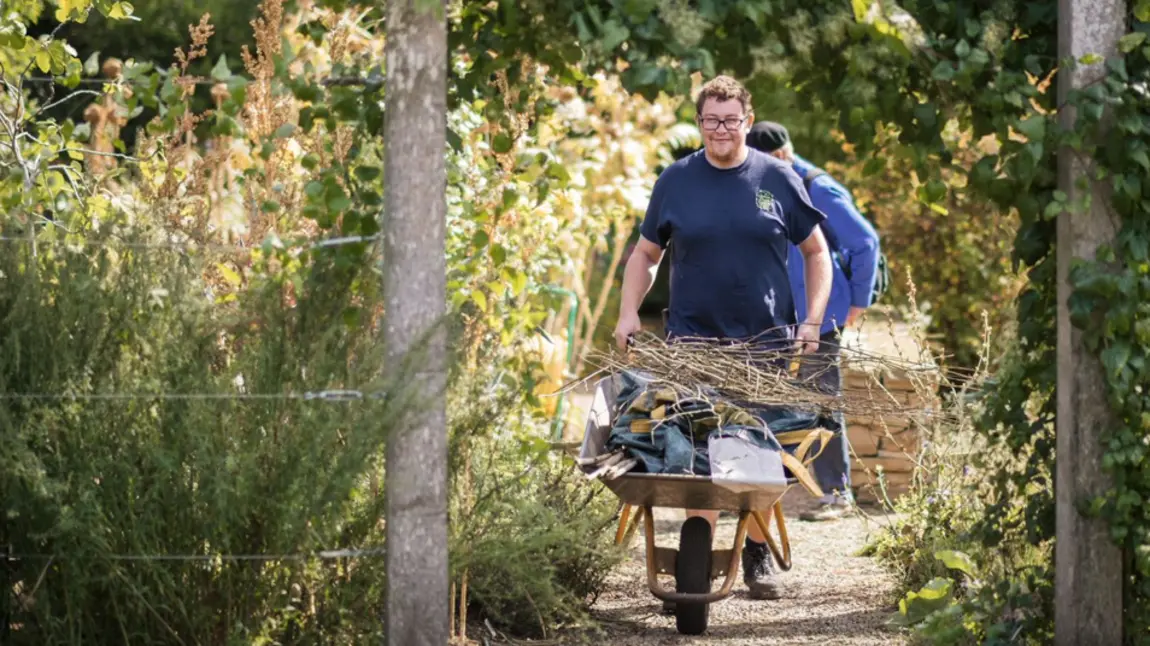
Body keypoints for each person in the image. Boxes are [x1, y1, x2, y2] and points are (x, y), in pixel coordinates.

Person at [613, 76, 833, 600]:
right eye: (711, 120)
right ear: (700, 122)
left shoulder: (777, 178)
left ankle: (754, 555)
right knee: (701, 459)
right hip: (692, 347)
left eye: (731, 120)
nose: (721, 130)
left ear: (747, 122)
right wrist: (627, 313)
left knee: (756, 455)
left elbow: (817, 252)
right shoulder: (677, 180)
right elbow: (646, 255)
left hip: (764, 347)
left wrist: (812, 321)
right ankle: (700, 552)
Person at [746, 121, 882, 522]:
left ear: (783, 155)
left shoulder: (818, 187)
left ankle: (838, 494)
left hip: (820, 313)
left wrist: (858, 302)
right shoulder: (764, 183)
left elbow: (865, 241)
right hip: (779, 312)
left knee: (822, 398)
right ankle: (765, 483)